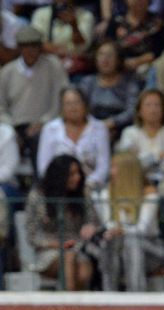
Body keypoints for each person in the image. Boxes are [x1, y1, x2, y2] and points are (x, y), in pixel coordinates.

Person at [95, 150, 164, 291]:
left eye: (114, 167)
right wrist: (114, 232)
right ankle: (109, 294)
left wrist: (122, 230)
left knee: (131, 240)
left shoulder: (150, 195)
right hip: (118, 247)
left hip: (150, 248)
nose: (110, 172)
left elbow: (142, 229)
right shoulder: (106, 193)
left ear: (126, 171)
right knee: (110, 241)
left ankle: (135, 295)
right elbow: (108, 223)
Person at [25, 154, 101, 290]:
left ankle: (71, 299)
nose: (77, 178)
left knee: (84, 271)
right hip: (48, 250)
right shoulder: (38, 197)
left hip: (77, 247)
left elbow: (95, 222)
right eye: (72, 174)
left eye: (78, 173)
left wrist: (90, 227)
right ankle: (68, 301)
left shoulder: (83, 194)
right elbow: (32, 236)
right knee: (69, 258)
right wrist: (58, 244)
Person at [0, 26, 68, 167]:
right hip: (14, 124)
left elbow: (61, 98)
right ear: (19, 48)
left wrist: (44, 121)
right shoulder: (7, 72)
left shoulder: (53, 66)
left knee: (42, 138)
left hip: (46, 123)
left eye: (34, 46)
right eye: (26, 46)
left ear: (40, 47)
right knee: (7, 138)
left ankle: (41, 179)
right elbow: (1, 106)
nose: (31, 50)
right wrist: (10, 127)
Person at [116, 87, 164, 198]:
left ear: (163, 110)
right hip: (137, 181)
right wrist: (157, 157)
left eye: (157, 105)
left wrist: (144, 161)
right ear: (139, 111)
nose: (153, 110)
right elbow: (130, 164)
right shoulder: (129, 133)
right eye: (148, 105)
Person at [37, 86, 111, 190]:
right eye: (68, 104)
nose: (73, 108)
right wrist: (61, 182)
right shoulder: (50, 129)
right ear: (61, 107)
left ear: (85, 104)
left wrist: (88, 184)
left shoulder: (100, 128)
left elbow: (103, 166)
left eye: (77, 102)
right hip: (58, 187)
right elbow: (44, 167)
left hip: (92, 187)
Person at [79, 40, 140, 143]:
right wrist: (96, 126)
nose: (105, 59)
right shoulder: (88, 83)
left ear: (118, 60)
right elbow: (80, 108)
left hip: (122, 131)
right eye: (101, 54)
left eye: (110, 55)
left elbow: (132, 110)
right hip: (90, 130)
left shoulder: (129, 83)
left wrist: (112, 123)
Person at [31, 0, 95, 78]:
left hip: (75, 70)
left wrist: (74, 26)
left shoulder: (86, 16)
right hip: (47, 65)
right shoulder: (41, 14)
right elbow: (37, 43)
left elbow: (82, 47)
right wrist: (65, 52)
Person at [103, 0, 164, 77]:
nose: (139, 1)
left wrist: (138, 61)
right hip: (118, 67)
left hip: (147, 67)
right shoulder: (116, 21)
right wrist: (121, 62)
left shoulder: (156, 23)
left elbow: (159, 51)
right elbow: (108, 46)